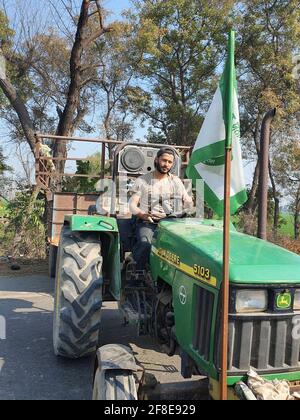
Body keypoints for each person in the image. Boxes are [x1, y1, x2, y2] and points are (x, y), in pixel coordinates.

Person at [129, 147, 193, 270]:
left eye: (170, 162)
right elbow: (132, 204)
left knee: (187, 246)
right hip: (148, 222)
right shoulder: (143, 180)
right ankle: (137, 272)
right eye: (164, 160)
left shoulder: (176, 181)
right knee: (145, 244)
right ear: (156, 160)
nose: (166, 164)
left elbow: (187, 200)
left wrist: (188, 204)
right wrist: (142, 214)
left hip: (171, 223)